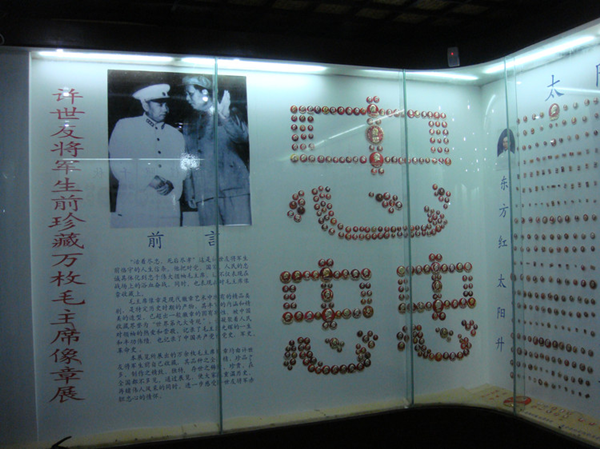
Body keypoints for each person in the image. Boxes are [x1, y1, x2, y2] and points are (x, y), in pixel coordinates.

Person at [108, 83, 187, 228]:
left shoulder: (176, 135)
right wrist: (149, 179)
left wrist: (172, 184)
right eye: (160, 104)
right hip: (135, 207)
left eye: (166, 105)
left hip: (167, 207)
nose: (166, 109)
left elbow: (182, 170)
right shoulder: (125, 126)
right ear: (145, 105)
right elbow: (119, 164)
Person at [182, 75, 251, 226]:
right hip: (205, 193)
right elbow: (188, 158)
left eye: (190, 94)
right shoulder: (189, 122)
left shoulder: (230, 112)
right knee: (211, 237)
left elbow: (243, 137)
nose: (187, 98)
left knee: (240, 236)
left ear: (205, 93)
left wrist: (225, 117)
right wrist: (190, 189)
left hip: (235, 190)